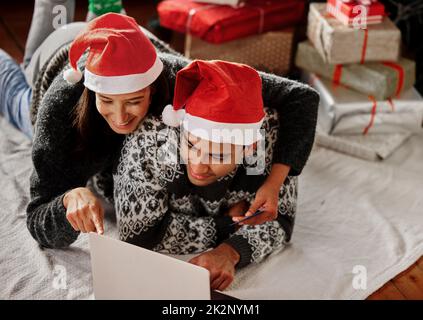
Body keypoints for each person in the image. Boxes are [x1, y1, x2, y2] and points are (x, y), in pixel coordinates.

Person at [0, 10, 319, 248]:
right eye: (107, 100)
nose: (120, 116)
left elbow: (300, 97)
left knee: (52, 16)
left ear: (155, 88)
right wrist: (68, 199)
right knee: (14, 90)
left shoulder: (183, 75)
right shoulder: (61, 113)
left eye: (134, 101)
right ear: (94, 92)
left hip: (119, 35)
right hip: (54, 64)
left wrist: (275, 181)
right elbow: (37, 221)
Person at [114, 60, 299, 291]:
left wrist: (230, 252)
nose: (198, 167)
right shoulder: (151, 141)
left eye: (218, 156)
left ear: (250, 147)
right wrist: (228, 226)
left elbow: (281, 220)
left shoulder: (270, 141)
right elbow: (140, 234)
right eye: (190, 145)